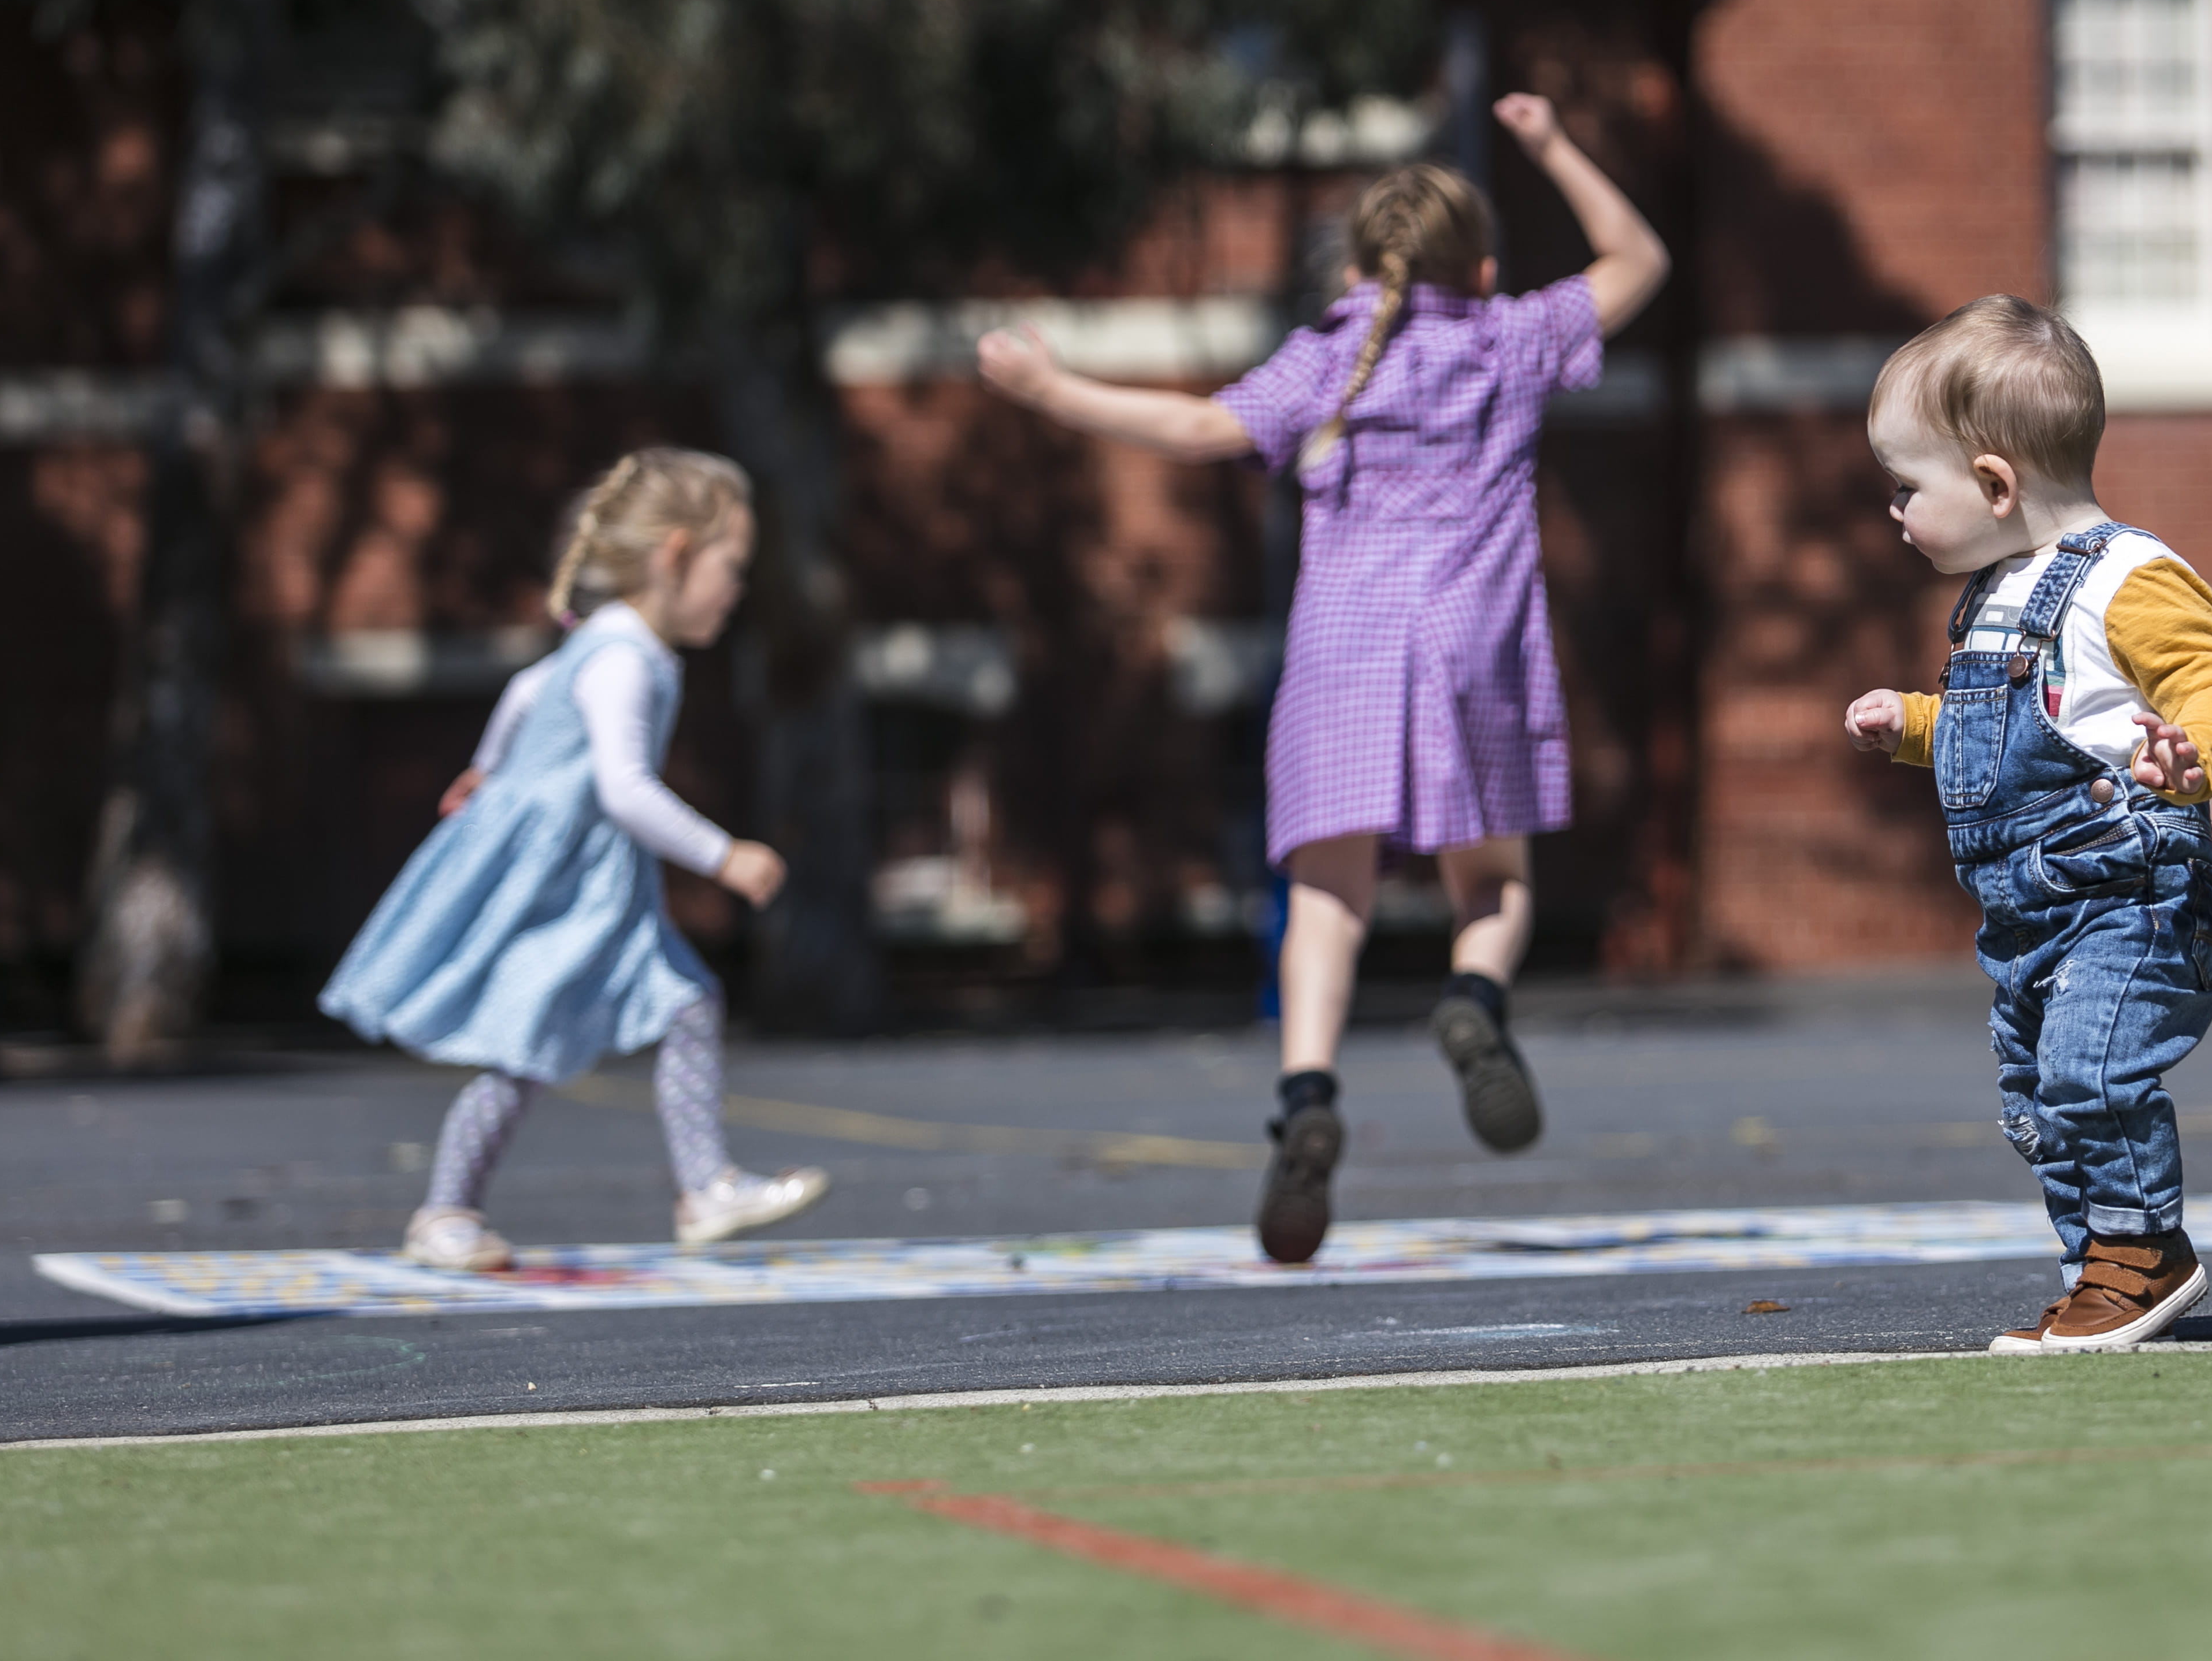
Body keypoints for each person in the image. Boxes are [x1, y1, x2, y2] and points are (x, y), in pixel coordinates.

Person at [978, 93, 1667, 1262]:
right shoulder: (1511, 338)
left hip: (1344, 649)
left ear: (1354, 265)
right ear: (1484, 266)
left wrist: (1054, 393)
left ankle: (1306, 1094)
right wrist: (1552, 142)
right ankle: (1475, 1001)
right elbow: (1639, 257)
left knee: (1325, 895)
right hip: (1474, 644)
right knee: (1492, 881)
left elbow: (1200, 431)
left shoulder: (1324, 358)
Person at [1843, 296, 2212, 1352]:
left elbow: (2211, 678)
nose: (1893, 512)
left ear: (1992, 485)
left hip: (2131, 898)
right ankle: (2094, 1271)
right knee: (2035, 1096)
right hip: (2029, 915)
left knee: (2091, 1069)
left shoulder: (2127, 577)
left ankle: (2140, 1255)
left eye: (1906, 487)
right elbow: (2014, 737)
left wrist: (2191, 754)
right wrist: (1911, 726)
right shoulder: (1992, 595)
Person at [320, 448, 827, 1272]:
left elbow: (531, 685)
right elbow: (624, 786)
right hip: (565, 885)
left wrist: (490, 762)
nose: (738, 589)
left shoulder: (615, 645)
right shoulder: (627, 656)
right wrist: (722, 854)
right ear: (674, 555)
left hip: (597, 881)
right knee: (528, 1047)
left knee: (687, 1004)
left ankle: (705, 1187)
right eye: (731, 566)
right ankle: (446, 1212)